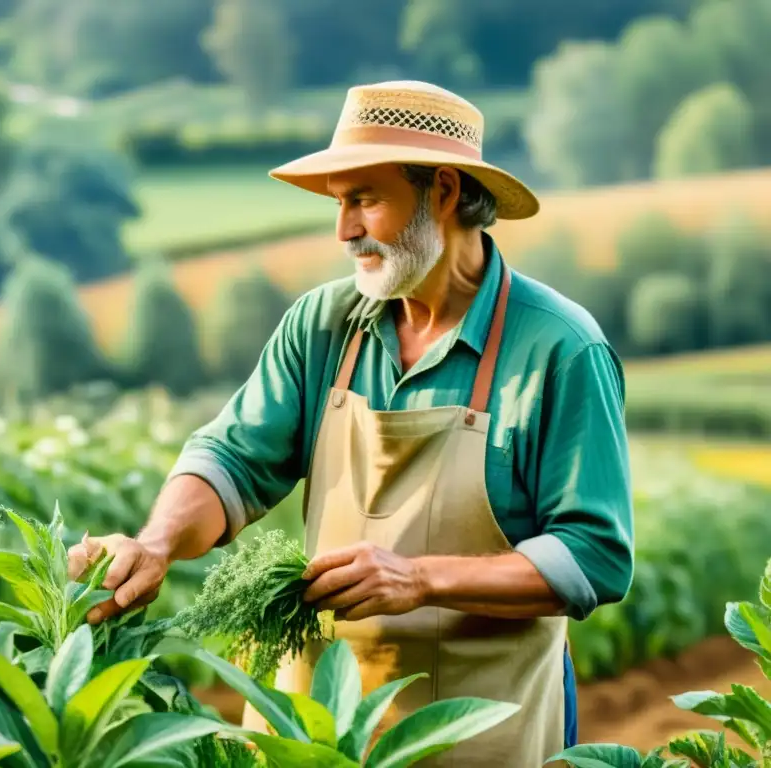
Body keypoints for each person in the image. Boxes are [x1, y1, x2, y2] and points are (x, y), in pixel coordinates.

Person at [67, 80, 634, 766]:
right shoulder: (324, 326)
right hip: (314, 729)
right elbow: (232, 460)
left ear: (446, 192)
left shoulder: (559, 349)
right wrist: (157, 544)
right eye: (340, 204)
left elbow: (595, 555)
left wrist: (419, 579)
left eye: (364, 199)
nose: (344, 230)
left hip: (479, 733)